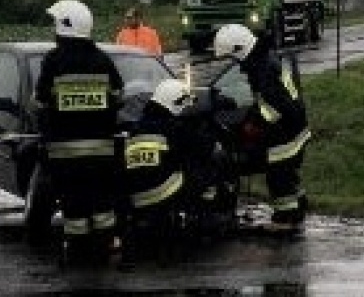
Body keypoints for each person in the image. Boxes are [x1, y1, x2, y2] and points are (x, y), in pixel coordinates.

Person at [35, 0, 124, 264]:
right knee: (102, 204)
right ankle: (104, 248)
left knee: (74, 205)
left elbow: (40, 100)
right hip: (101, 153)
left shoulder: (53, 60)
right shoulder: (102, 60)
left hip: (65, 154)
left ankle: (79, 253)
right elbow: (119, 96)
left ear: (64, 26)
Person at [213, 22, 311, 233]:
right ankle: (297, 209)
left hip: (285, 132)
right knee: (287, 174)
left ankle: (285, 219)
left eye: (232, 57)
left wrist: (253, 124)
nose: (235, 63)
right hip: (295, 126)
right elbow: (266, 101)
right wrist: (251, 117)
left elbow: (273, 108)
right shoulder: (264, 59)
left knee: (278, 176)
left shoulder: (263, 69)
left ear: (240, 49)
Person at [120, 77, 208, 261]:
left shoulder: (137, 128)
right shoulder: (171, 127)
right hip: (164, 194)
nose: (184, 108)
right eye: (181, 103)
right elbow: (196, 150)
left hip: (135, 198)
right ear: (172, 102)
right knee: (198, 173)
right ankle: (196, 223)